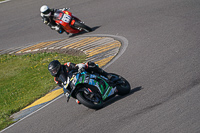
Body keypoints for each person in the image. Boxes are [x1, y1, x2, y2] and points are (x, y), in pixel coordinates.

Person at [48, 60, 115, 88]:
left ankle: (106, 75)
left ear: (58, 66)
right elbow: (64, 87)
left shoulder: (66, 65)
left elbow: (76, 65)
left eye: (54, 70)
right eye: (52, 71)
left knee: (89, 65)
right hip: (75, 84)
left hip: (81, 74)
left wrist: (80, 67)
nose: (54, 72)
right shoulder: (57, 79)